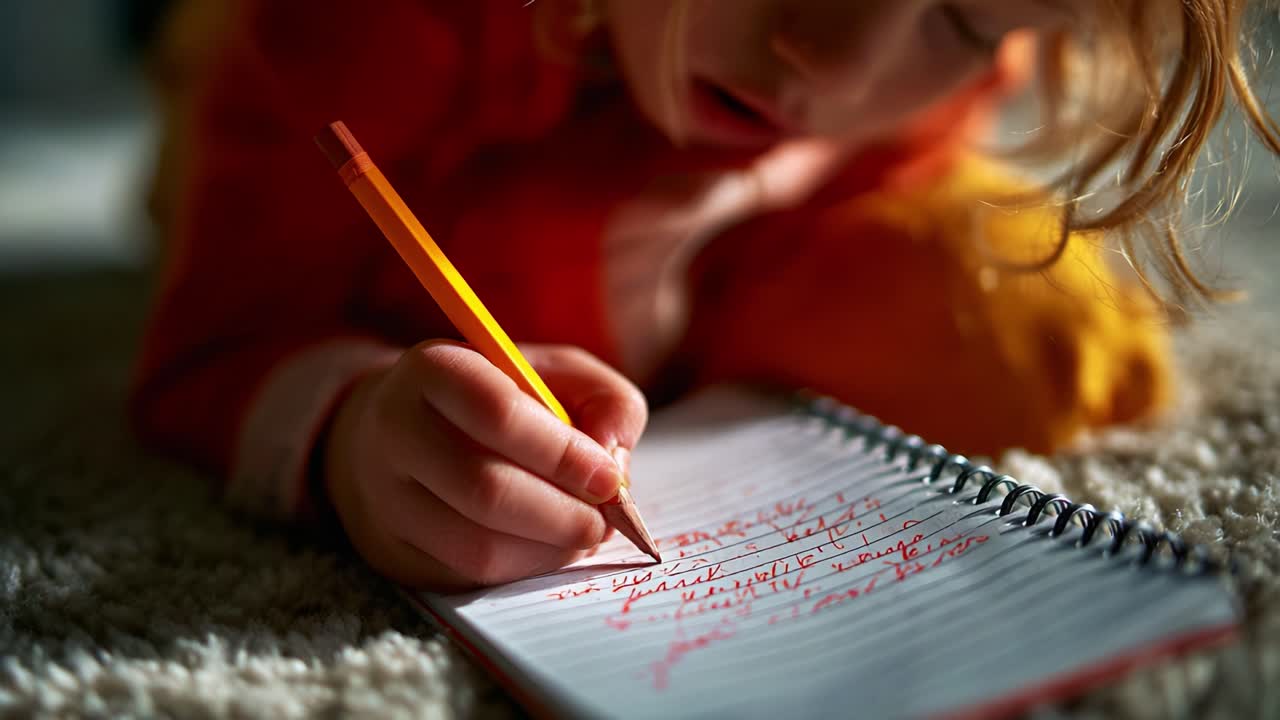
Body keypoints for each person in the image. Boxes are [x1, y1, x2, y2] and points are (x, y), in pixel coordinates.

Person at [131, 0, 1280, 589]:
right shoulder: (357, 28)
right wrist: (344, 434)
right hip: (315, 101)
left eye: (964, 17)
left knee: (1017, 314)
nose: (837, 62)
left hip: (685, 211)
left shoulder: (937, 85)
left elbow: (902, 174)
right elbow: (209, 350)